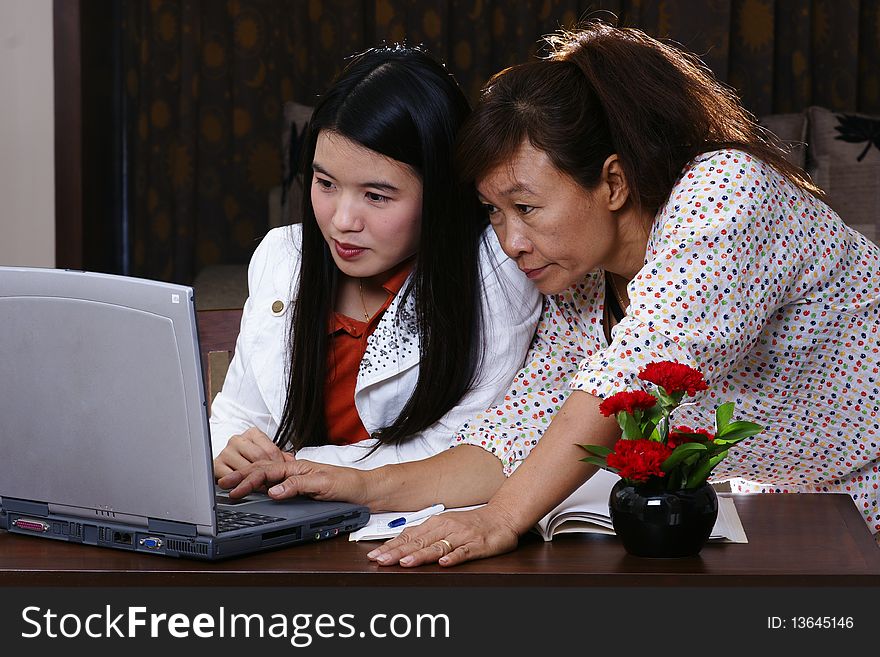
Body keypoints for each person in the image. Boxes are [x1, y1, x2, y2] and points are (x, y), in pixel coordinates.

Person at [219, 21, 880, 564]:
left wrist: (499, 520)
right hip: (802, 509)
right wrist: (355, 485)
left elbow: (631, 380)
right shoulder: (579, 281)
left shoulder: (725, 195)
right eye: (493, 212)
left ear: (613, 183)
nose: (508, 240)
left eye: (526, 207)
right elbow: (506, 438)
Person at [210, 45, 541, 478]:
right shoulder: (283, 255)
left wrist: (293, 468)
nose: (342, 221)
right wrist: (229, 452)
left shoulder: (495, 272)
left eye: (376, 196)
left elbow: (461, 450)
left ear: (440, 192)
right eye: (325, 183)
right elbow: (236, 415)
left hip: (410, 530)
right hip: (283, 518)